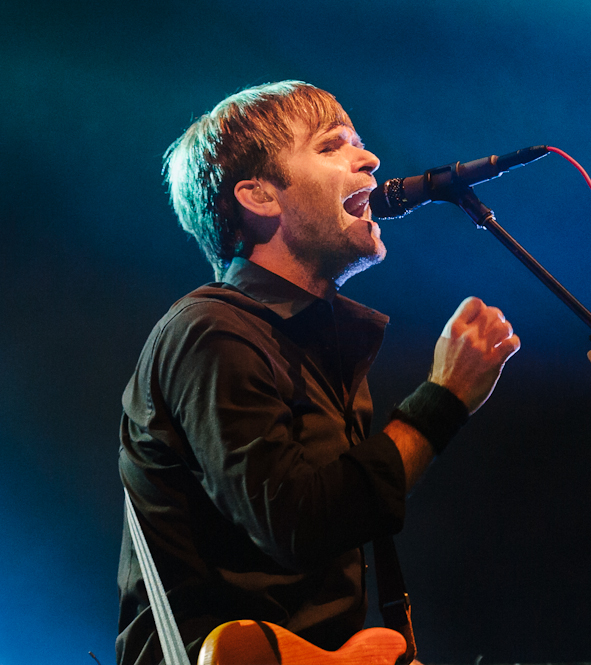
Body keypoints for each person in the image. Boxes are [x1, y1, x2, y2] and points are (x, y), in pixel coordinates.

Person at [116, 80, 520, 665]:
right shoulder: (210, 332)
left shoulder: (318, 351)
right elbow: (298, 523)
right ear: (259, 197)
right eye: (332, 146)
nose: (372, 159)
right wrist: (443, 399)